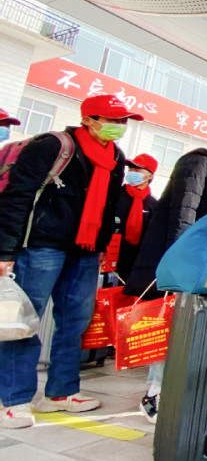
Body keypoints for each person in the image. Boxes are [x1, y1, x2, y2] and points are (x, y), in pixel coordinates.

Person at [0, 95, 136, 428]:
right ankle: (14, 400)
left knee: (75, 321)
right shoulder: (53, 145)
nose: (119, 127)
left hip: (85, 251)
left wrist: (102, 245)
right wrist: (5, 251)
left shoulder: (114, 157)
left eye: (123, 121)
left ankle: (60, 393)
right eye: (111, 120)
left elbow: (109, 205)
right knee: (22, 322)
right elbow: (18, 194)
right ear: (88, 119)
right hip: (39, 246)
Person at [124, 122, 207, 423]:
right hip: (178, 258)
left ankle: (168, 390)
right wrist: (177, 260)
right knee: (166, 325)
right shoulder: (198, 160)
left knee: (178, 326)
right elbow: (185, 208)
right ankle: (154, 393)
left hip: (193, 258)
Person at [112, 153, 158, 281]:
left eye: (137, 170)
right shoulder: (115, 195)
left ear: (150, 175)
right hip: (110, 258)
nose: (132, 172)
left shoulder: (154, 205)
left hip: (136, 263)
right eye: (130, 169)